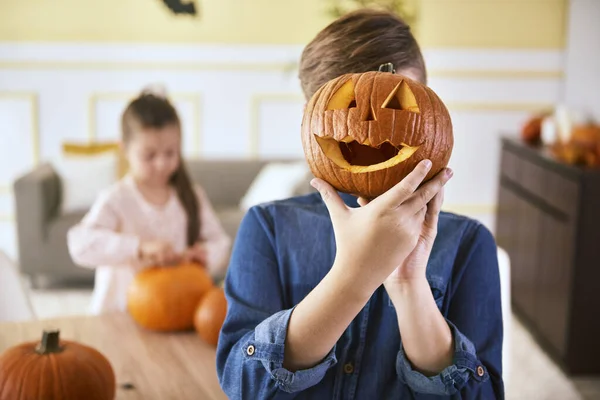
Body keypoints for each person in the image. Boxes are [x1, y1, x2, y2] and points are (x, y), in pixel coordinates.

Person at [216, 9, 504, 399]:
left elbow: (482, 395)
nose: (373, 129)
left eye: (399, 108)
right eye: (348, 109)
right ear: (310, 119)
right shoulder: (266, 227)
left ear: (430, 110)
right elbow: (242, 385)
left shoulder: (469, 244)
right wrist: (354, 275)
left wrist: (408, 283)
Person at [67, 87, 231, 315]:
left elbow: (221, 243)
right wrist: (139, 248)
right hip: (118, 315)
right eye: (149, 155)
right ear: (124, 149)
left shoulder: (192, 195)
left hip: (174, 313)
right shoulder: (116, 198)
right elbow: (80, 245)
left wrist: (202, 256)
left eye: (171, 153)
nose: (162, 164)